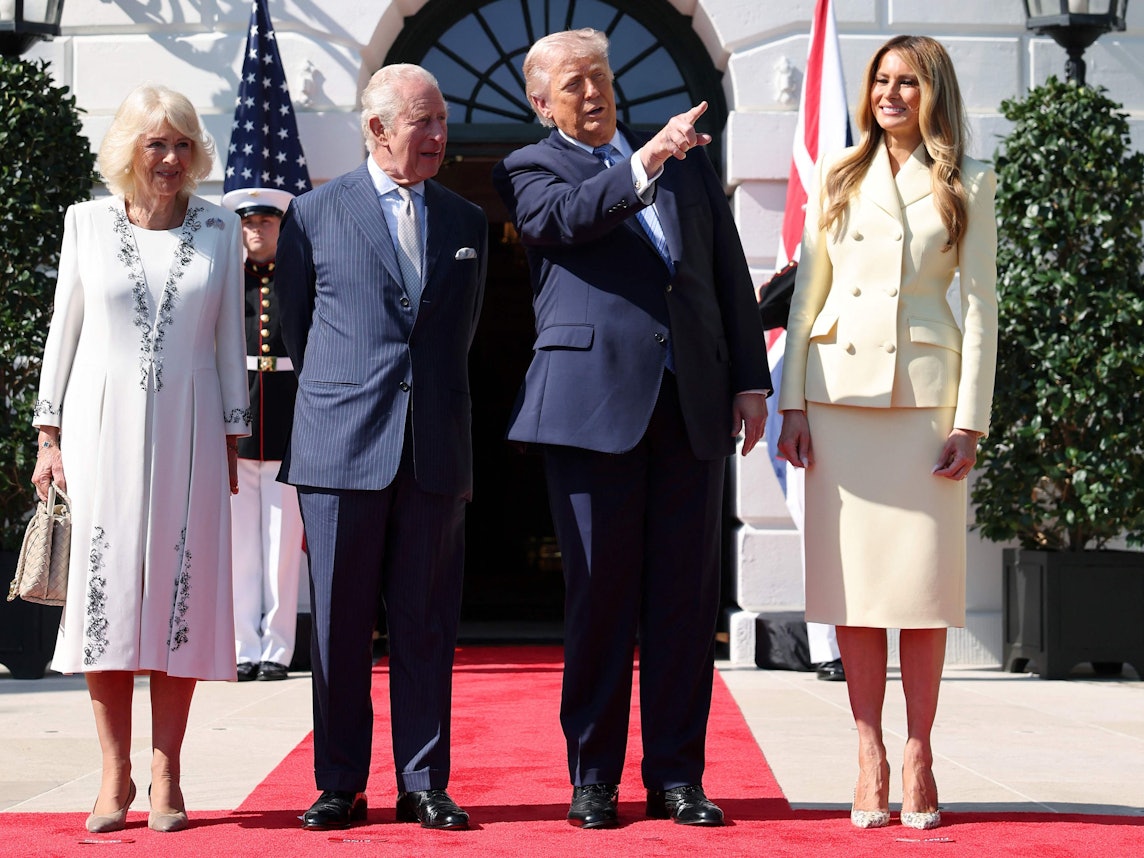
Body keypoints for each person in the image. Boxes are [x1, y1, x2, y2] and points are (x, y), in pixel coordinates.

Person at [492, 29, 770, 829]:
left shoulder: (686, 166)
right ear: (541, 103)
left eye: (600, 77)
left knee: (685, 601)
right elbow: (566, 219)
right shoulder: (529, 167)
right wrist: (645, 161)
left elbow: (724, 270)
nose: (593, 93)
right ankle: (594, 778)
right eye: (573, 84)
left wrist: (749, 381)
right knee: (601, 599)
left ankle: (678, 776)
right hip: (592, 412)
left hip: (692, 404)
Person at [777, 35, 997, 831]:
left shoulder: (970, 181)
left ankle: (919, 751)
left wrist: (971, 420)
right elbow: (808, 294)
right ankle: (868, 748)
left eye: (907, 82)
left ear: (934, 91)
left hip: (927, 407)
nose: (890, 94)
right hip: (839, 397)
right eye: (881, 80)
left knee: (923, 591)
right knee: (857, 588)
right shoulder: (838, 173)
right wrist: (792, 404)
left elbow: (981, 308)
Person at [30, 84, 249, 834]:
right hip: (99, 429)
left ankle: (167, 773)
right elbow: (63, 330)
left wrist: (232, 436)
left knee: (179, 596)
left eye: (184, 143)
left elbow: (227, 341)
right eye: (157, 143)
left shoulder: (221, 227)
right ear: (130, 148)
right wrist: (48, 435)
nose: (171, 158)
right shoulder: (86, 223)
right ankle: (112, 773)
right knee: (109, 594)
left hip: (192, 429)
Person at [274, 63, 487, 832]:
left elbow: (460, 334)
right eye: (423, 121)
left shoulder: (466, 221)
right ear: (376, 128)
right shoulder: (313, 213)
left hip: (433, 450)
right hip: (339, 450)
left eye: (442, 121)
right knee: (338, 626)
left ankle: (423, 782)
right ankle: (340, 783)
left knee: (426, 625)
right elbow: (297, 327)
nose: (438, 136)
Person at [221, 187, 302, 683]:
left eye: (266, 223)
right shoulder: (228, 281)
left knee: (281, 548)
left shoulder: (296, 279)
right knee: (240, 548)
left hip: (287, 425)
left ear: (279, 227)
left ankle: (276, 649)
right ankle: (242, 647)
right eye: (249, 224)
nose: (256, 231)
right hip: (238, 427)